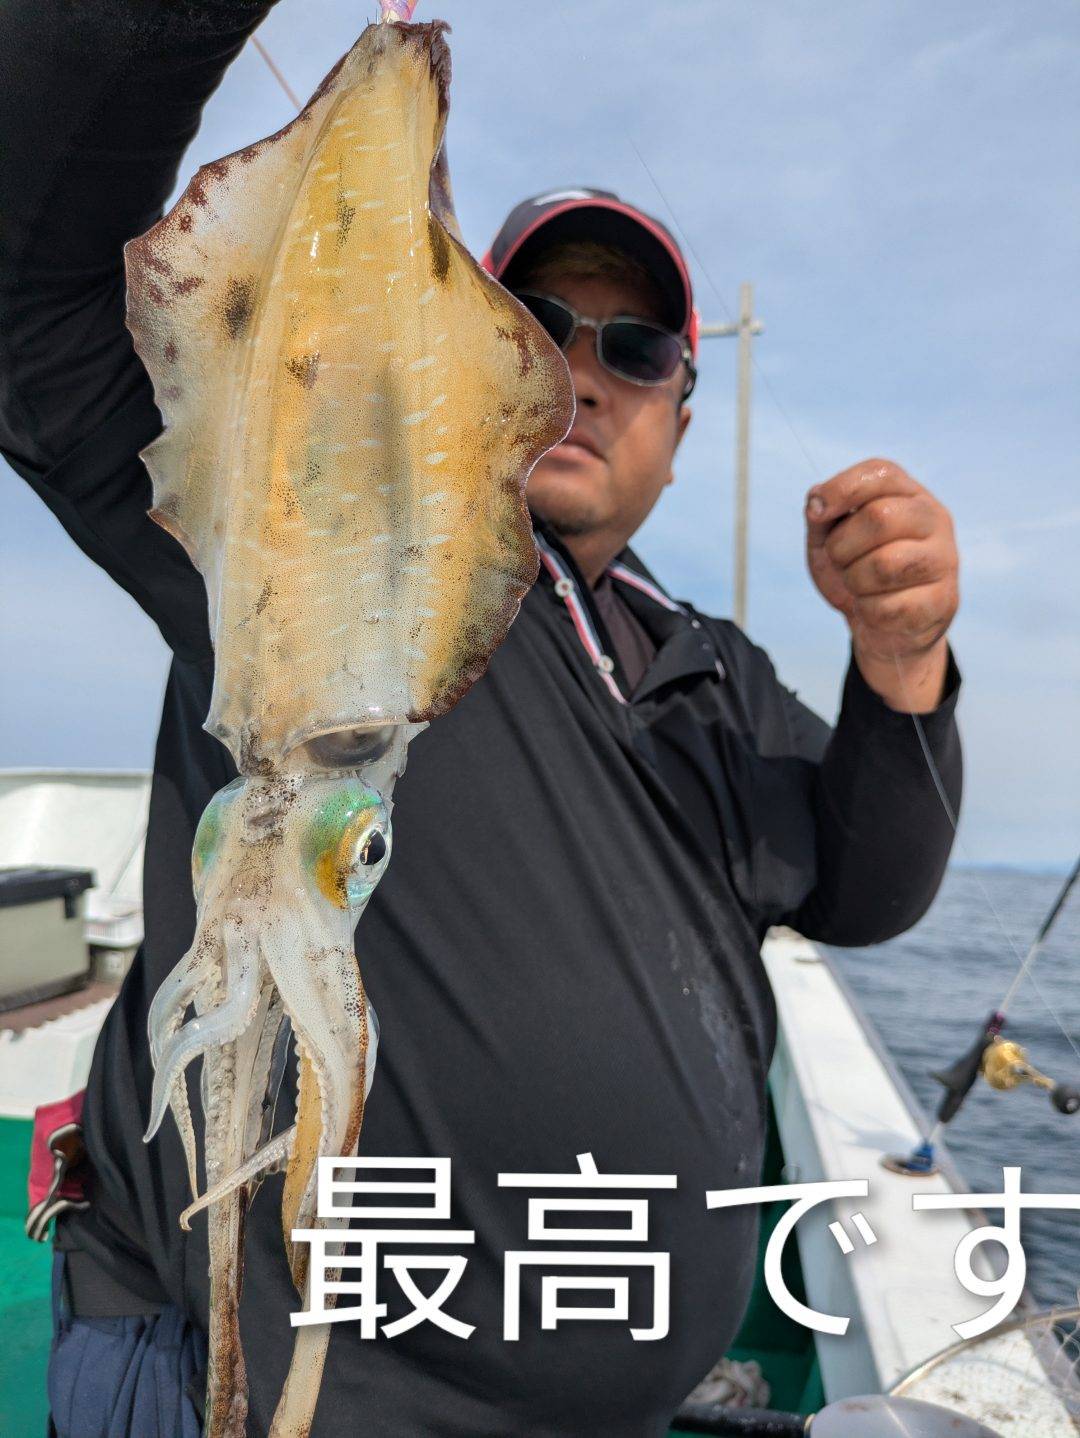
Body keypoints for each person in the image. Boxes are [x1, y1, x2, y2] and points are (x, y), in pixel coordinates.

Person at [0, 4, 961, 1436]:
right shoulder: (285, 530)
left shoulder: (703, 667)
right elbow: (26, 284)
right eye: (539, 323)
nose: (582, 368)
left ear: (683, 420)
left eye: (637, 346)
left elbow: (863, 887)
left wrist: (903, 662)